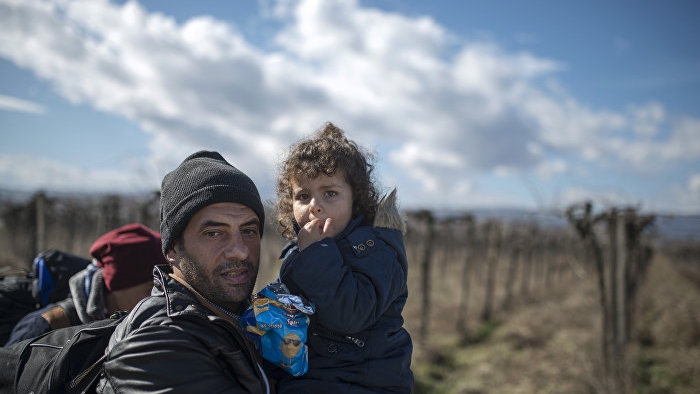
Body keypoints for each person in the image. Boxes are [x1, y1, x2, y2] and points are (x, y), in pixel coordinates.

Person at [96, 151, 270, 393]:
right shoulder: (157, 344)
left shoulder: (255, 318)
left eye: (249, 231)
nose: (240, 251)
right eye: (214, 233)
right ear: (173, 248)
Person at [269, 122, 414, 393]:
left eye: (330, 193)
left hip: (363, 382)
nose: (315, 205)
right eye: (303, 196)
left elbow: (351, 314)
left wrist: (315, 253)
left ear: (355, 200)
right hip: (308, 377)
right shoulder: (300, 251)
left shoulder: (376, 250)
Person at [4, 222, 166, 346]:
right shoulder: (46, 326)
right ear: (115, 286)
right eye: (150, 289)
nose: (159, 299)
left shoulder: (135, 326)